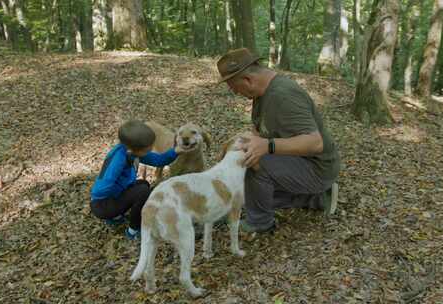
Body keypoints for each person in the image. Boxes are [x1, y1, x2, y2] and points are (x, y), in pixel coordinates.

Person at [216, 48, 341, 233]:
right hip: (297, 163)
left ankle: (260, 223)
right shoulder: (261, 94)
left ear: (248, 80)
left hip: (317, 168)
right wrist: (239, 144)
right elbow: (259, 132)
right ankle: (315, 198)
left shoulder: (283, 95)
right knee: (243, 191)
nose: (235, 93)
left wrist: (267, 146)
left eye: (234, 88)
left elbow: (315, 143)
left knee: (252, 161)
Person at [90, 119, 191, 240]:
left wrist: (176, 151)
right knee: (142, 192)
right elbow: (100, 190)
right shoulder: (118, 159)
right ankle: (133, 231)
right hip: (102, 206)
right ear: (133, 150)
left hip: (110, 200)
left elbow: (158, 160)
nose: (151, 149)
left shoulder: (132, 151)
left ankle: (116, 216)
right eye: (148, 149)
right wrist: (121, 195)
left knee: (143, 184)